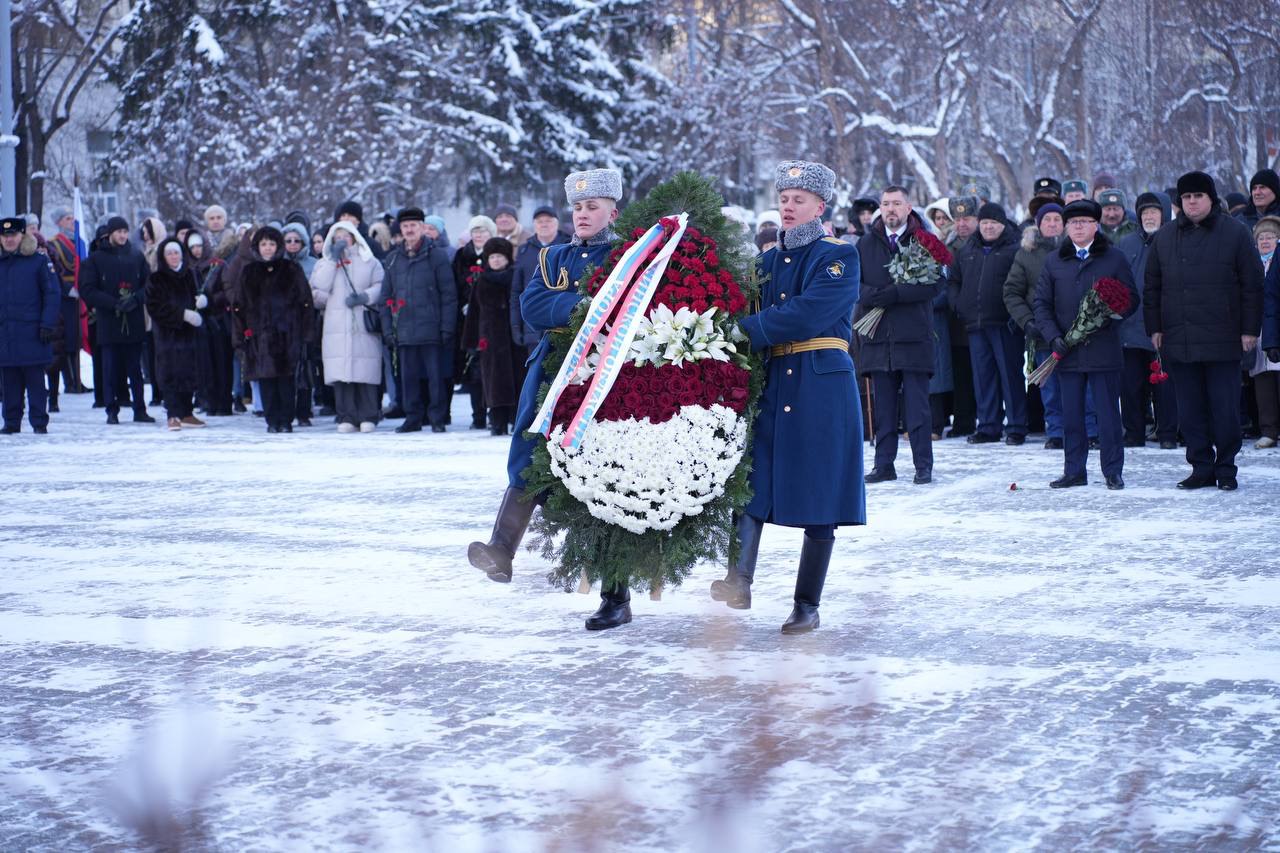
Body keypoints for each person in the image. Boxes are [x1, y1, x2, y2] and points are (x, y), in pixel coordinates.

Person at [709, 160, 864, 634]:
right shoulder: (766, 262)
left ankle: (806, 605)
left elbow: (807, 313)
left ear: (820, 206)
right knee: (753, 477)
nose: (789, 206)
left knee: (821, 493)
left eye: (799, 199)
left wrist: (742, 331)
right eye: (784, 198)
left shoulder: (838, 255)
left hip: (820, 382)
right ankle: (739, 579)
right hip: (775, 378)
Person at [467, 168, 626, 626]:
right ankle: (502, 550)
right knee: (528, 454)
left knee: (605, 477)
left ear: (612, 211)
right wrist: (580, 307)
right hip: (550, 369)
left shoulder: (627, 256)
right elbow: (531, 305)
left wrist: (577, 310)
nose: (581, 215)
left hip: (602, 374)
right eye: (576, 208)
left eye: (591, 207)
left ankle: (617, 596)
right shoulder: (552, 255)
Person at [1144, 171, 1265, 490]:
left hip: (1224, 337)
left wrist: (1249, 329)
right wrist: (1154, 327)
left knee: (1224, 409)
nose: (1192, 202)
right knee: (1190, 411)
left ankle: (1226, 468)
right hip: (1179, 337)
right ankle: (1200, 466)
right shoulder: (1166, 237)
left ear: (1211, 199)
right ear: (1179, 202)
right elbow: (1152, 287)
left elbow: (1253, 285)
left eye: (1198, 196)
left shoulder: (1235, 233)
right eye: (1186, 197)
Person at [1033, 199, 1140, 489]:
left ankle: (1112, 471)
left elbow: (1131, 299)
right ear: (1067, 227)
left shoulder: (1114, 258)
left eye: (1085, 222)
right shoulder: (1055, 260)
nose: (1078, 227)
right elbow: (1041, 304)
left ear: (1096, 225)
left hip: (1103, 349)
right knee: (1071, 416)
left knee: (1107, 415)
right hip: (1067, 352)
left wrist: (1106, 317)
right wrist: (1055, 337)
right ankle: (1074, 470)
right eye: (1073, 222)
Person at [856, 185, 941, 485]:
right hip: (878, 336)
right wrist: (875, 295)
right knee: (884, 407)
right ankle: (884, 464)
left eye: (896, 203)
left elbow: (933, 286)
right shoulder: (865, 244)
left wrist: (896, 293)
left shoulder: (925, 241)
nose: (890, 209)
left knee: (917, 407)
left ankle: (923, 465)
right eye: (885, 203)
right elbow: (853, 283)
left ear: (908, 207)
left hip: (913, 335)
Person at [949, 201, 1026, 444]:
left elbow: (1022, 284)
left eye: (993, 223)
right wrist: (959, 304)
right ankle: (988, 425)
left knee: (1010, 376)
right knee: (983, 378)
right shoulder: (967, 250)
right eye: (984, 223)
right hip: (975, 324)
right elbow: (953, 281)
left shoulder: (1014, 249)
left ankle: (1015, 426)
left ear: (1002, 224)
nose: (989, 227)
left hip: (1005, 324)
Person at [1004, 201, 1077, 449]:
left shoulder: (1075, 248)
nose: (1053, 224)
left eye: (1058, 219)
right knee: (1051, 387)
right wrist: (1027, 321)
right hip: (1043, 332)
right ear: (1038, 224)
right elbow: (1012, 292)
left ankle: (1088, 430)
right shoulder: (1027, 252)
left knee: (1081, 386)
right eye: (1048, 220)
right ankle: (1056, 432)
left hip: (1076, 331)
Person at [230, 226, 316, 433]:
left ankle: (286, 419)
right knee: (266, 379)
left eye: (271, 244)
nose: (267, 249)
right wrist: (241, 335)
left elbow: (305, 301)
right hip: (259, 336)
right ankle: (272, 419)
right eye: (263, 244)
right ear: (256, 247)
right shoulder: (249, 272)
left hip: (288, 334)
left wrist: (305, 333)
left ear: (278, 246)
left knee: (286, 379)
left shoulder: (291, 269)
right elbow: (238, 306)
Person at [379, 207, 457, 433]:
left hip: (432, 328)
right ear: (401, 230)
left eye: (414, 225)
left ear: (422, 227)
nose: (410, 230)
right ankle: (412, 417)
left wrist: (447, 327)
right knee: (408, 378)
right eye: (405, 226)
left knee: (435, 378)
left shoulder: (437, 256)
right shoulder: (393, 259)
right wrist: (388, 330)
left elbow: (449, 295)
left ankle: (437, 418)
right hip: (404, 329)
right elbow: (385, 297)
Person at [310, 221, 386, 433]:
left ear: (354, 237)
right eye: (337, 237)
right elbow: (319, 287)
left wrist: (365, 297)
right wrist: (333, 260)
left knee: (365, 370)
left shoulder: (369, 261)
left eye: (346, 236)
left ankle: (368, 415)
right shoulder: (325, 263)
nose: (342, 240)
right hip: (336, 325)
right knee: (341, 372)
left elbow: (380, 286)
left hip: (362, 322)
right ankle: (346, 416)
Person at [79, 216, 155, 425]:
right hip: (109, 322)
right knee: (110, 369)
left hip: (133, 320)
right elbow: (87, 289)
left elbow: (149, 285)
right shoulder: (96, 259)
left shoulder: (136, 256)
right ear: (110, 234)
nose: (122, 236)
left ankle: (140, 408)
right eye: (118, 232)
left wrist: (136, 299)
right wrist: (112, 303)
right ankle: (111, 409)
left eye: (125, 231)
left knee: (135, 370)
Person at [1117, 191, 1178, 449]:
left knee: (1164, 386)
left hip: (1162, 328)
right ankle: (1133, 433)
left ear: (1164, 214)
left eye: (1154, 211)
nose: (1149, 216)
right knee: (1131, 386)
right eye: (1145, 212)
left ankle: (1167, 434)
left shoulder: (1173, 240)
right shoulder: (1126, 243)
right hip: (1129, 327)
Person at [0, 216, 60, 434]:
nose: (9, 240)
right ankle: (11, 422)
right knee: (9, 382)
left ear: (22, 236)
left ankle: (39, 422)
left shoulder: (38, 261)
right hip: (5, 333)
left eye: (13, 235)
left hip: (33, 332)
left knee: (35, 382)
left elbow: (52, 294)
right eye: (5, 236)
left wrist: (47, 324)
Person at [145, 239, 208, 430]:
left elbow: (201, 294)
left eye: (176, 252)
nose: (173, 256)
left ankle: (187, 413)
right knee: (170, 372)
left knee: (189, 371)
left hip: (189, 334)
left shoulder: (191, 274)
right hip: (168, 334)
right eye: (169, 253)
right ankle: (173, 413)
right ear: (163, 256)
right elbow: (155, 307)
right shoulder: (157, 279)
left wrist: (204, 301)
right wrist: (182, 315)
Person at [462, 237, 522, 436]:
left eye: (500, 256)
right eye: (492, 257)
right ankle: (497, 422)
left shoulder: (515, 277)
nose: (496, 260)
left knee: (516, 380)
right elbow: (473, 314)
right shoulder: (482, 281)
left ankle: (515, 419)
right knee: (493, 383)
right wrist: (471, 341)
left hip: (513, 338)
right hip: (490, 339)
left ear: (507, 258)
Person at [510, 205, 570, 376]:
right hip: (532, 329)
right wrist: (516, 326)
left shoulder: (568, 245)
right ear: (534, 225)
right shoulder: (525, 249)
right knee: (537, 377)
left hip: (563, 325)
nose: (544, 224)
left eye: (548, 221)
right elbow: (516, 292)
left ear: (556, 223)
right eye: (539, 221)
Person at [44, 208, 87, 401]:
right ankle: (70, 380)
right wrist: (69, 288)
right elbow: (58, 270)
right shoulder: (54, 244)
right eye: (68, 219)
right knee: (67, 338)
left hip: (81, 293)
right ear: (59, 222)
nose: (72, 221)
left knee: (77, 336)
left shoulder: (78, 242)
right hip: (66, 296)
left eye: (72, 218)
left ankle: (77, 379)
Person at [1249, 216, 1280, 448]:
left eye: (1270, 236)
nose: (1266, 241)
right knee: (1262, 381)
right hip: (1256, 330)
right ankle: (1268, 429)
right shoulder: (1250, 264)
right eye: (1261, 237)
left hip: (1276, 327)